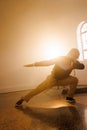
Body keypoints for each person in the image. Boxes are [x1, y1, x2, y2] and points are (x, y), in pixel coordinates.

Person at [15, 48, 85, 107]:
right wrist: (34, 64)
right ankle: (23, 99)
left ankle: (69, 97)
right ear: (69, 54)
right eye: (73, 55)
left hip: (64, 80)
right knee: (38, 89)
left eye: (76, 56)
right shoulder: (60, 58)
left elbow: (82, 67)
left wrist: (75, 64)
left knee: (74, 80)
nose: (74, 57)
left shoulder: (75, 62)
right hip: (52, 79)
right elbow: (47, 63)